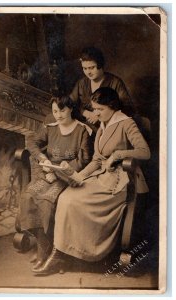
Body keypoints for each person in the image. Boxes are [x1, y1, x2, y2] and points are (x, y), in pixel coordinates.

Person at [32, 87, 151, 275]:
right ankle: (62, 252)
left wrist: (119, 154)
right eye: (94, 109)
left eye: (99, 109)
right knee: (66, 198)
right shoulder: (103, 124)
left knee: (74, 201)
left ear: (112, 106)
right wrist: (79, 176)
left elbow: (145, 152)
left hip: (120, 180)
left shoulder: (126, 123)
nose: (95, 113)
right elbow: (97, 159)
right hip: (101, 176)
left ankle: (66, 254)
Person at [17, 95, 92, 272]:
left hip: (67, 177)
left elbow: (85, 159)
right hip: (48, 173)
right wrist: (42, 158)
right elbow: (33, 143)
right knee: (28, 196)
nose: (58, 115)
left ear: (71, 109)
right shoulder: (50, 127)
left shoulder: (82, 130)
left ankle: (48, 253)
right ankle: (45, 247)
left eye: (62, 110)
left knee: (46, 202)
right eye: (55, 111)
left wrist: (64, 169)